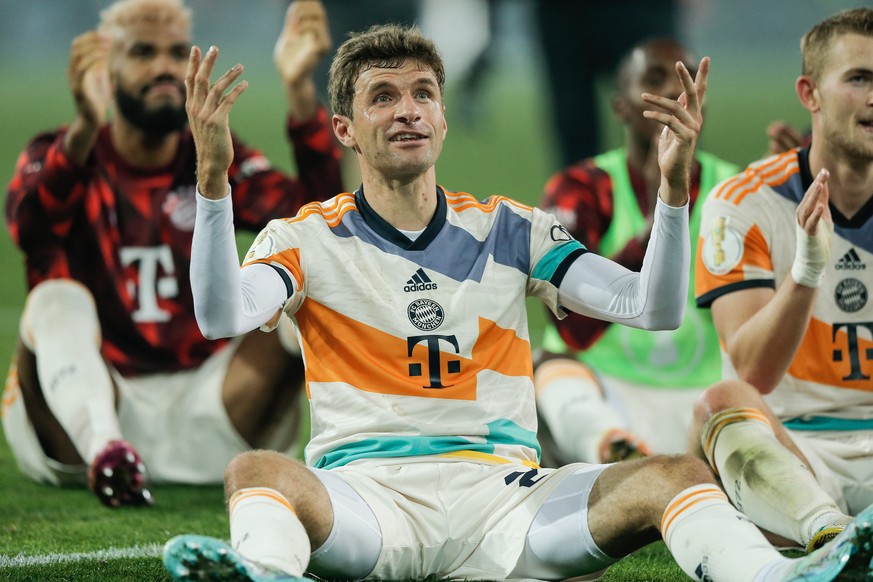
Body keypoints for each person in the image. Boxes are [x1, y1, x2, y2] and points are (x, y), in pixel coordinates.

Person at [162, 22, 873, 582]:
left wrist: (672, 190)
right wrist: (213, 180)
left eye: (422, 95)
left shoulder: (509, 227)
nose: (406, 111)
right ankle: (263, 573)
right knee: (256, 471)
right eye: (382, 96)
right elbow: (221, 316)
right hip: (368, 499)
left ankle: (780, 575)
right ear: (345, 127)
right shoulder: (303, 236)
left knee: (674, 474)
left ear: (443, 118)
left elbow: (646, 306)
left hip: (507, 497)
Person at [1, 0, 342, 508]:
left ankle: (359, 458)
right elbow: (31, 231)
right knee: (53, 300)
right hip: (86, 412)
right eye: (143, 52)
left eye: (177, 52)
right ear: (107, 67)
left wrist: (298, 92)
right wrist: (83, 132)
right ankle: (110, 454)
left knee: (308, 289)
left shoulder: (213, 154)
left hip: (212, 415)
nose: (164, 66)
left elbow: (322, 227)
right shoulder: (61, 152)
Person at [692, 7, 873, 554]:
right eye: (859, 78)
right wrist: (807, 271)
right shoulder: (742, 202)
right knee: (720, 401)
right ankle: (830, 532)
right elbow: (752, 371)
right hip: (795, 450)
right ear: (810, 93)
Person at [535, 39, 740, 465]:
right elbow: (572, 325)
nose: (672, 90)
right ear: (620, 107)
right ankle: (612, 449)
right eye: (654, 79)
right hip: (606, 387)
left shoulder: (735, 191)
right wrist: (660, 215)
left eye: (684, 76)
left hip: (706, 393)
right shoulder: (581, 188)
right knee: (552, 370)